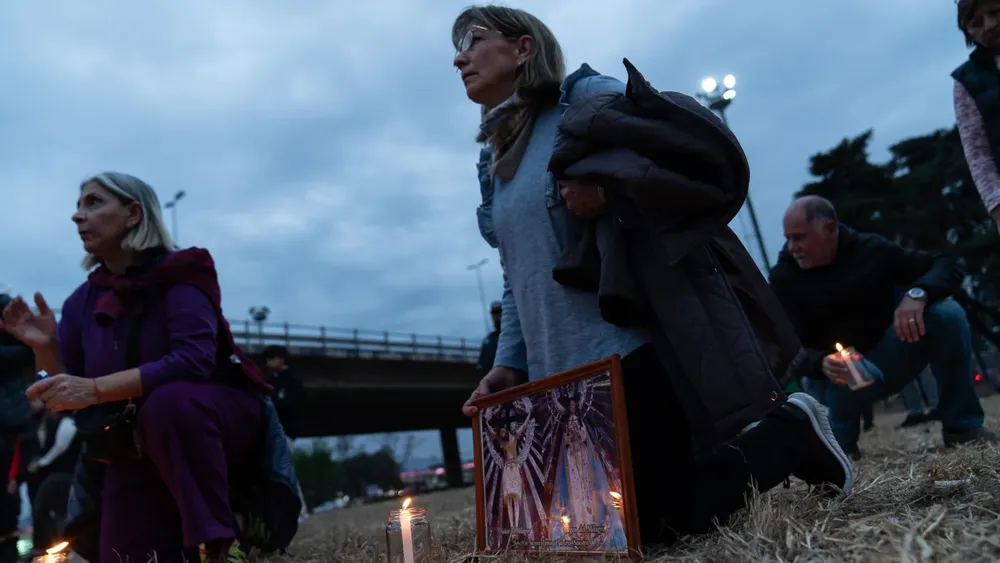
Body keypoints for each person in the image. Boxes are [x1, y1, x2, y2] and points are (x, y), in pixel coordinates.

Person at [453, 5, 853, 549]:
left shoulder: (587, 99)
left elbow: (690, 163)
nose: (460, 58)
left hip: (629, 348)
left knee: (663, 520)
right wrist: (507, 363)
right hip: (559, 374)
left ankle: (791, 433)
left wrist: (611, 192)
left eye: (473, 40)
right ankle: (759, 445)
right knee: (603, 534)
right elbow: (517, 276)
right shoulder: (496, 157)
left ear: (524, 48)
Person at [0, 172, 302, 563]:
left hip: (210, 426)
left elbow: (194, 361)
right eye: (77, 206)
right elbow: (72, 396)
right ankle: (219, 522)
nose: (77, 216)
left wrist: (95, 388)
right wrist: (45, 348)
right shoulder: (80, 303)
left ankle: (222, 539)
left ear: (133, 213)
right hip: (136, 444)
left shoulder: (182, 274)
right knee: (123, 554)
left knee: (170, 402)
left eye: (93, 203)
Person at [769, 195, 998, 458]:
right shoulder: (784, 279)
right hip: (832, 382)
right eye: (788, 238)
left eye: (800, 237)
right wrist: (819, 362)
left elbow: (945, 264)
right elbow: (784, 346)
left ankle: (962, 426)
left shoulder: (871, 251)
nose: (792, 246)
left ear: (830, 229)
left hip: (885, 358)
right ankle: (840, 447)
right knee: (833, 456)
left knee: (946, 314)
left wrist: (918, 294)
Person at [953, 0, 1000, 233]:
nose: (990, 25)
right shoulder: (967, 81)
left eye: (995, 12)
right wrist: (997, 206)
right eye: (976, 23)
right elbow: (978, 154)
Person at [24, 397, 80, 556]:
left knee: (47, 509)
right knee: (55, 511)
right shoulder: (52, 423)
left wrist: (41, 463)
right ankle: (61, 544)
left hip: (63, 476)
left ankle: (63, 544)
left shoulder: (68, 423)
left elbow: (59, 448)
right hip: (58, 476)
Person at [260, 345, 308, 521]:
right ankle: (292, 512)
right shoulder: (269, 380)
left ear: (281, 359)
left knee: (286, 469)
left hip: (286, 431)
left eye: (273, 358)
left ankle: (300, 511)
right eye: (268, 359)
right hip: (274, 432)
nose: (270, 362)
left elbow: (295, 405)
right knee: (279, 471)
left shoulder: (292, 380)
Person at [475, 301, 502, 377]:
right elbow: (481, 364)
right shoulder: (488, 340)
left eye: (499, 313)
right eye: (494, 314)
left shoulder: (512, 337)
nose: (497, 317)